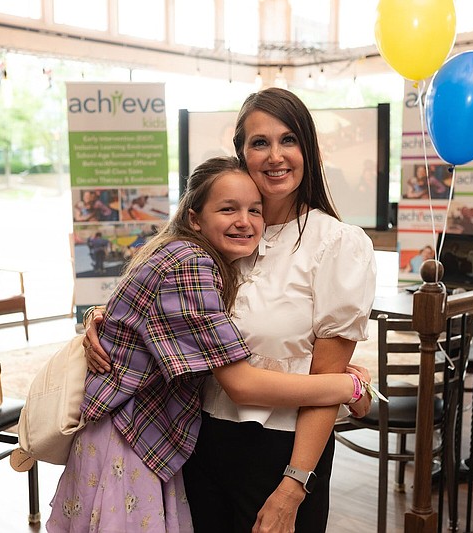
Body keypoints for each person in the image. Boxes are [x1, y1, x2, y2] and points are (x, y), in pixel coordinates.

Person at [84, 88, 377, 533]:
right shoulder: (225, 237)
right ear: (242, 153)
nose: (275, 155)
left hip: (282, 453)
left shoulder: (337, 244)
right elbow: (163, 296)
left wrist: (293, 487)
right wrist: (101, 319)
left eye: (288, 140)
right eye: (260, 142)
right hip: (196, 442)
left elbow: (321, 385)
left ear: (308, 150)